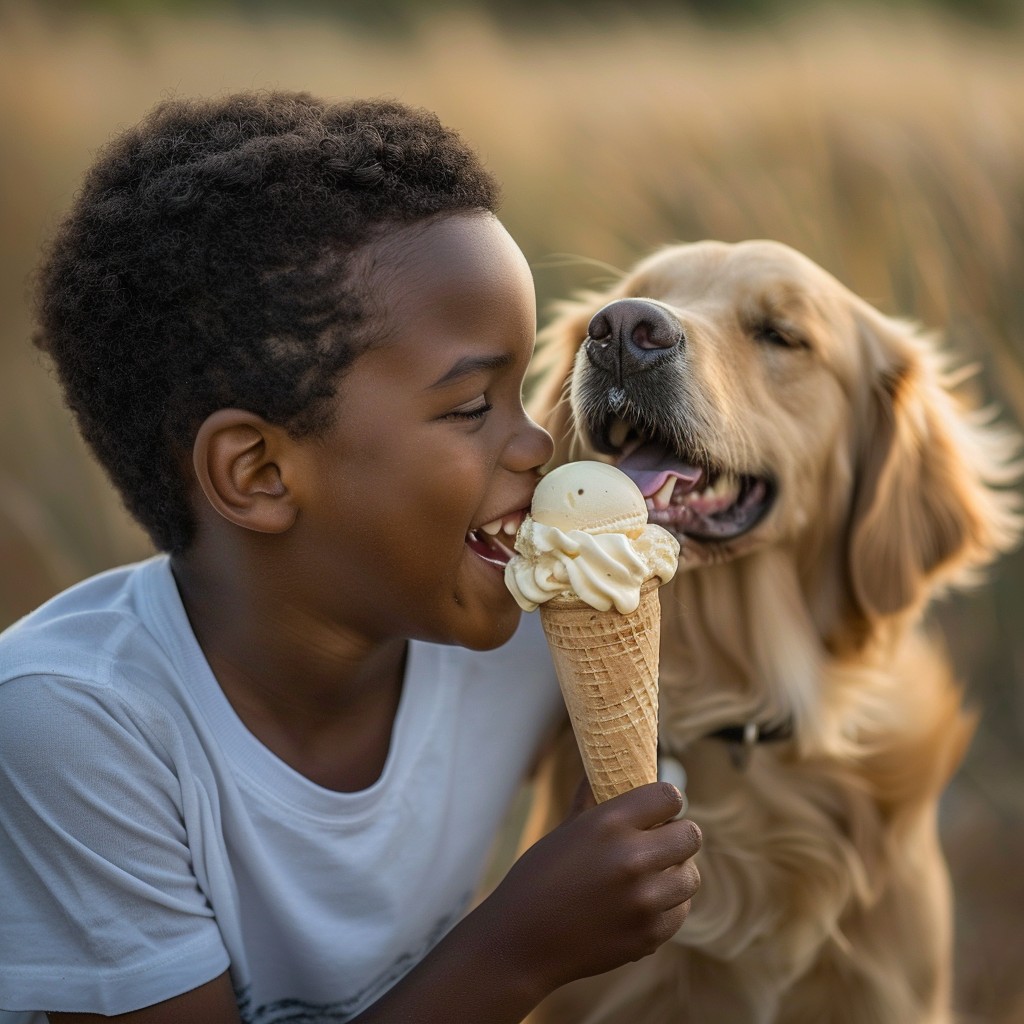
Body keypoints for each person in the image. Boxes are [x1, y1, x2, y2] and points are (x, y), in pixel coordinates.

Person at [0, 91, 701, 1023]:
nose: (537, 445)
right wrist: (521, 949)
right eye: (470, 407)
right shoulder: (72, 723)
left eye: (521, 390)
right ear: (258, 472)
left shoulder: (529, 633)